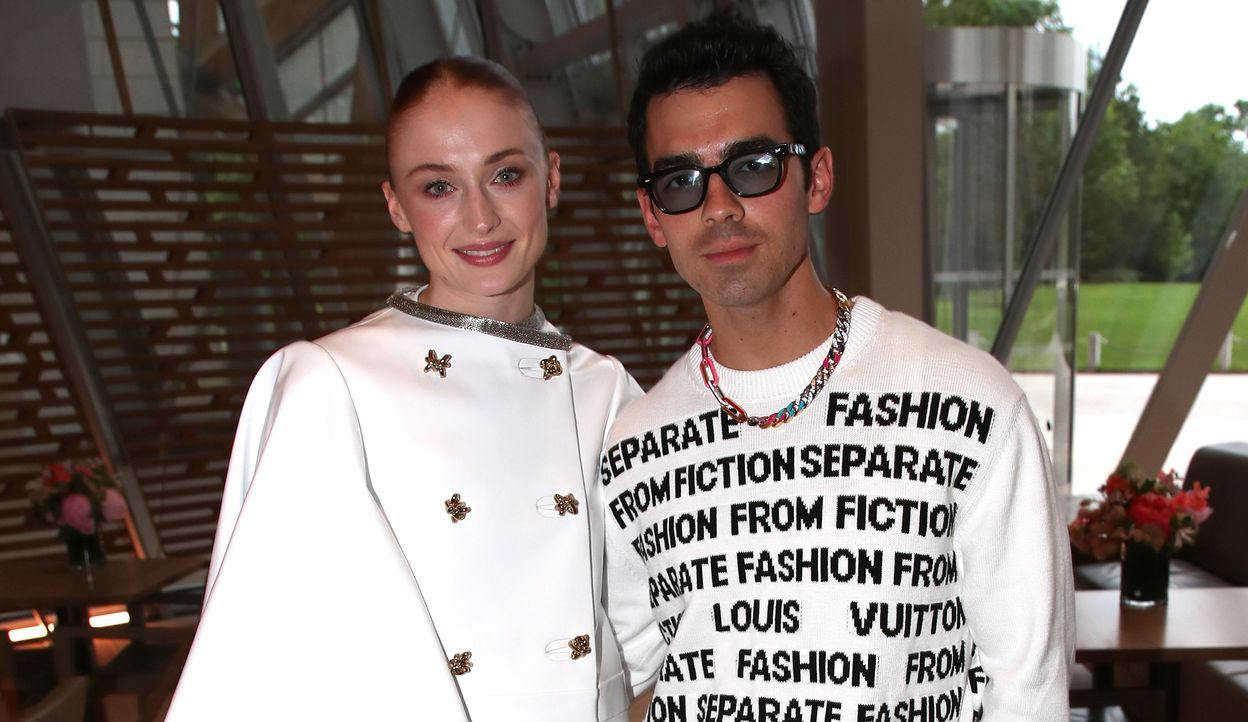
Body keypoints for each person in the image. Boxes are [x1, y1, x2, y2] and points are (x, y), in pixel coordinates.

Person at [600, 12, 1074, 722]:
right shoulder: (632, 445)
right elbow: (635, 688)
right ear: (651, 215)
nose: (719, 207)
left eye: (753, 167)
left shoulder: (969, 407)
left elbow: (1028, 690)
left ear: (816, 179)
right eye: (682, 181)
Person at [168, 58, 641, 721]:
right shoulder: (329, 384)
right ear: (395, 206)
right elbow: (263, 660)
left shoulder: (607, 389)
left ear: (551, 179)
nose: (480, 219)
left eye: (506, 175)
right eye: (439, 187)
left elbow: (657, 636)